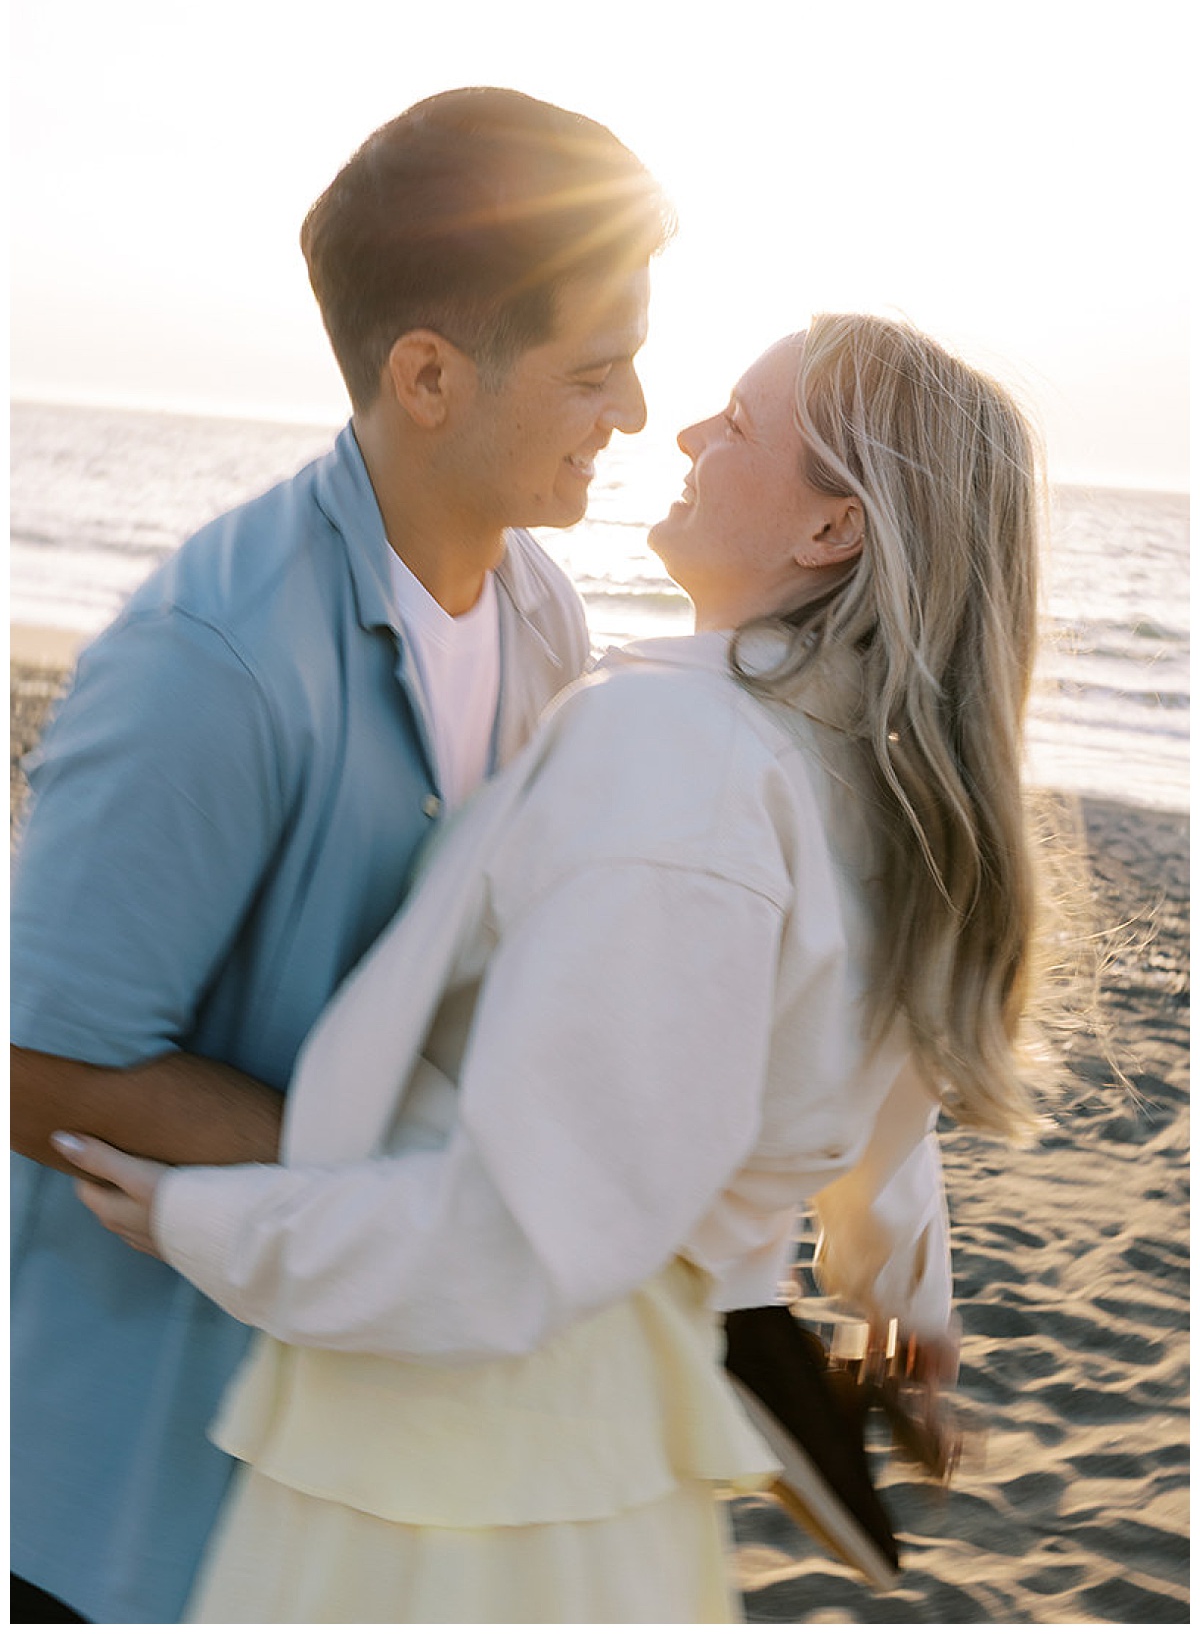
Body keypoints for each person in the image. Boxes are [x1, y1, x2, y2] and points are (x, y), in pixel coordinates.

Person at [65, 312, 1048, 1624]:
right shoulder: (886, 796)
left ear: (832, 530)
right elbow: (883, 1116)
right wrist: (908, 1308)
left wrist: (205, 1221)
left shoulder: (682, 757)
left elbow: (514, 1246)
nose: (682, 434)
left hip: (462, 1466)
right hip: (610, 1463)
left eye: (737, 424)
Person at [9, 87, 673, 1625]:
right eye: (595, 370)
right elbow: (33, 1065)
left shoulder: (546, 617)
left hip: (361, 1500)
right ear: (427, 374)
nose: (636, 411)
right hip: (118, 1516)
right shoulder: (213, 662)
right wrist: (405, 1181)